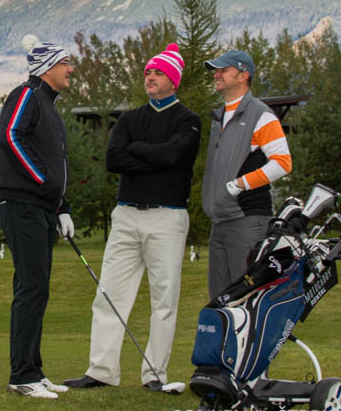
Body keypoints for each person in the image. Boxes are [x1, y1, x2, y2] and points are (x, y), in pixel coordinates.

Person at [63, 43, 201, 392]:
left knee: (164, 300)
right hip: (126, 216)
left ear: (173, 80)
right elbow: (114, 160)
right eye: (148, 72)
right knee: (109, 294)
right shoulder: (129, 119)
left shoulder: (188, 120)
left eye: (158, 72)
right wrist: (155, 157)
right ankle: (102, 371)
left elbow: (174, 156)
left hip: (167, 218)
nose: (150, 77)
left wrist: (136, 150)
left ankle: (155, 375)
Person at [0, 34, 75, 400]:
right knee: (31, 287)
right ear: (47, 68)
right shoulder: (26, 94)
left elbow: (55, 167)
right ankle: (22, 376)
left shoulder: (49, 105)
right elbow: (12, 136)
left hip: (41, 207)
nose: (70, 69)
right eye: (65, 63)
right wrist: (43, 184)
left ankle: (33, 371)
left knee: (37, 288)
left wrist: (61, 205)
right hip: (22, 204)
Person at [201, 49, 292, 302]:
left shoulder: (260, 115)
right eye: (216, 71)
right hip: (220, 222)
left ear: (243, 75)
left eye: (224, 70)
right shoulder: (220, 116)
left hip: (247, 220)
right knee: (220, 299)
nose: (216, 75)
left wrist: (241, 184)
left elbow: (283, 163)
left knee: (247, 298)